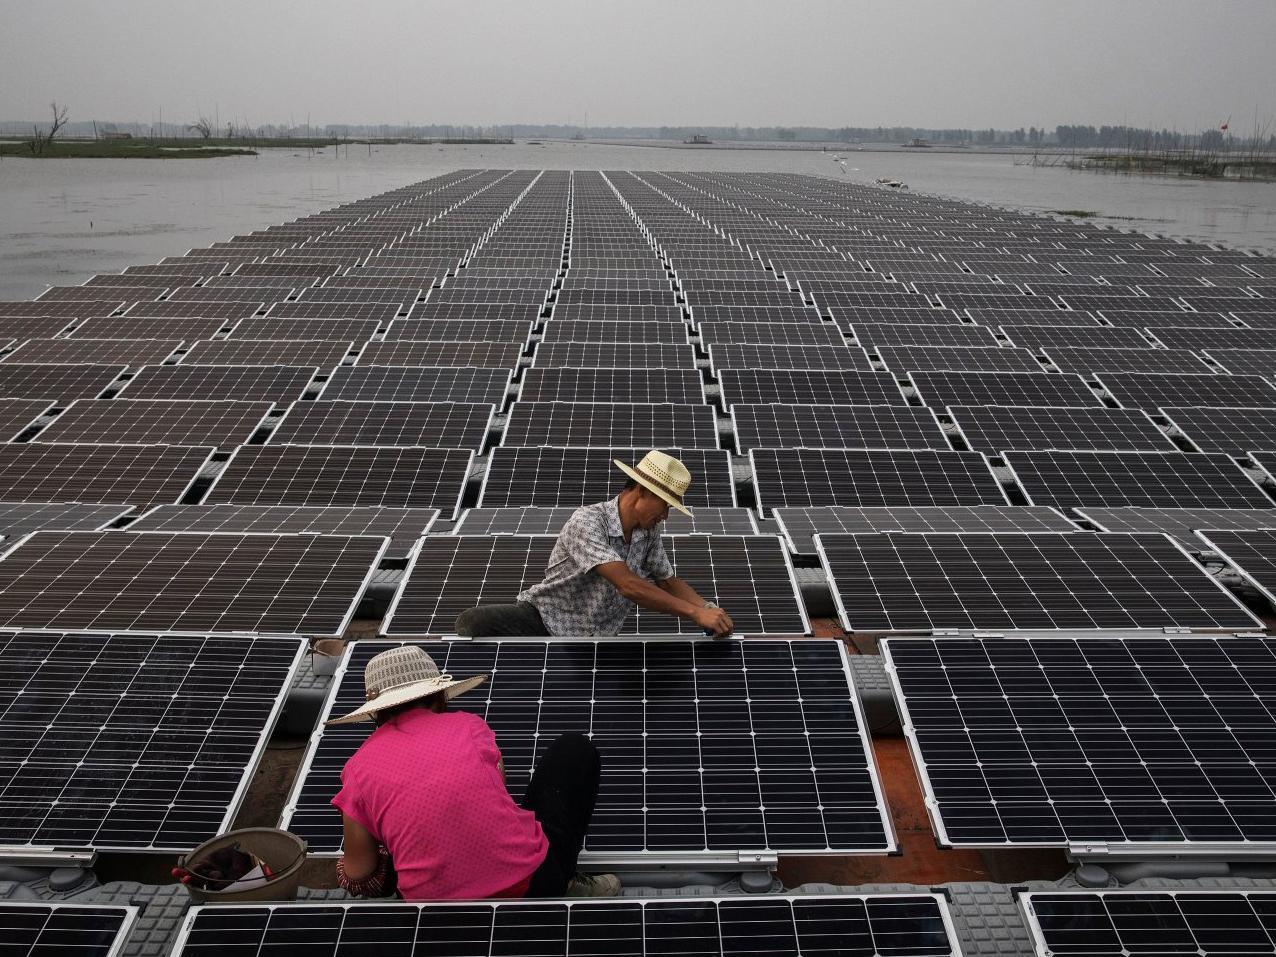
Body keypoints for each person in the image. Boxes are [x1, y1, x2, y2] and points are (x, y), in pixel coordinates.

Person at [329, 644, 618, 900]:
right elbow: (495, 796)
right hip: (533, 882)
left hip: (429, 910)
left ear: (375, 712)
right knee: (574, 750)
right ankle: (566, 884)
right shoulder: (469, 726)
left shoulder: (357, 767)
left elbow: (359, 872)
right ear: (439, 695)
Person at [455, 450, 735, 638]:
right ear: (641, 491)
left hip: (596, 637)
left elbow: (668, 580)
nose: (665, 514)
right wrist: (695, 613)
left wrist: (709, 609)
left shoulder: (648, 532)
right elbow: (628, 585)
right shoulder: (588, 522)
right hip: (546, 620)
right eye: (665, 505)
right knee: (473, 623)